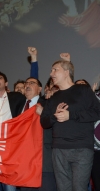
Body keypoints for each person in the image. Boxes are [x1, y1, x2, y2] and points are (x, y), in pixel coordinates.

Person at [40, 59, 100, 191]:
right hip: (59, 150)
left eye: (55, 70)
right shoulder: (53, 97)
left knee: (79, 188)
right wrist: (55, 116)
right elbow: (43, 122)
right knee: (63, 188)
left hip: (82, 149)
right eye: (51, 70)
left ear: (66, 72)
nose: (51, 73)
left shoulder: (83, 90)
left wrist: (70, 115)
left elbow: (97, 112)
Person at [20, 77, 57, 191]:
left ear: (40, 88)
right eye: (26, 83)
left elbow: (57, 124)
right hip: (23, 164)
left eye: (32, 83)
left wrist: (44, 114)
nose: (27, 85)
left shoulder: (49, 102)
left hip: (44, 162)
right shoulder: (17, 106)